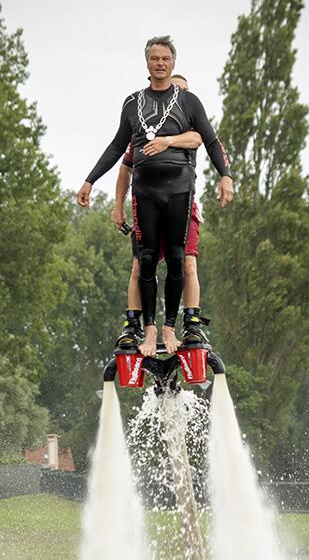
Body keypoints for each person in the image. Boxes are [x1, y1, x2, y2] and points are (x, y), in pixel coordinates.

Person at [77, 36, 233, 357]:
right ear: (147, 63)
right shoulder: (133, 103)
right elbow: (116, 147)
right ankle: (147, 331)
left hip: (179, 190)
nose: (160, 63)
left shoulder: (190, 102)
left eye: (165, 58)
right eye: (154, 58)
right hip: (145, 192)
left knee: (178, 259)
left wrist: (226, 177)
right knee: (145, 260)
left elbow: (211, 141)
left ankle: (169, 328)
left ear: (173, 62)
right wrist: (90, 181)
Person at [111, 74, 209, 349]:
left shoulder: (193, 128)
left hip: (182, 207)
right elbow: (124, 167)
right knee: (141, 265)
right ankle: (135, 326)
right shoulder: (144, 129)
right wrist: (118, 206)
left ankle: (191, 324)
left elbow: (202, 140)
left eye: (184, 93)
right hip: (149, 204)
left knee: (187, 262)